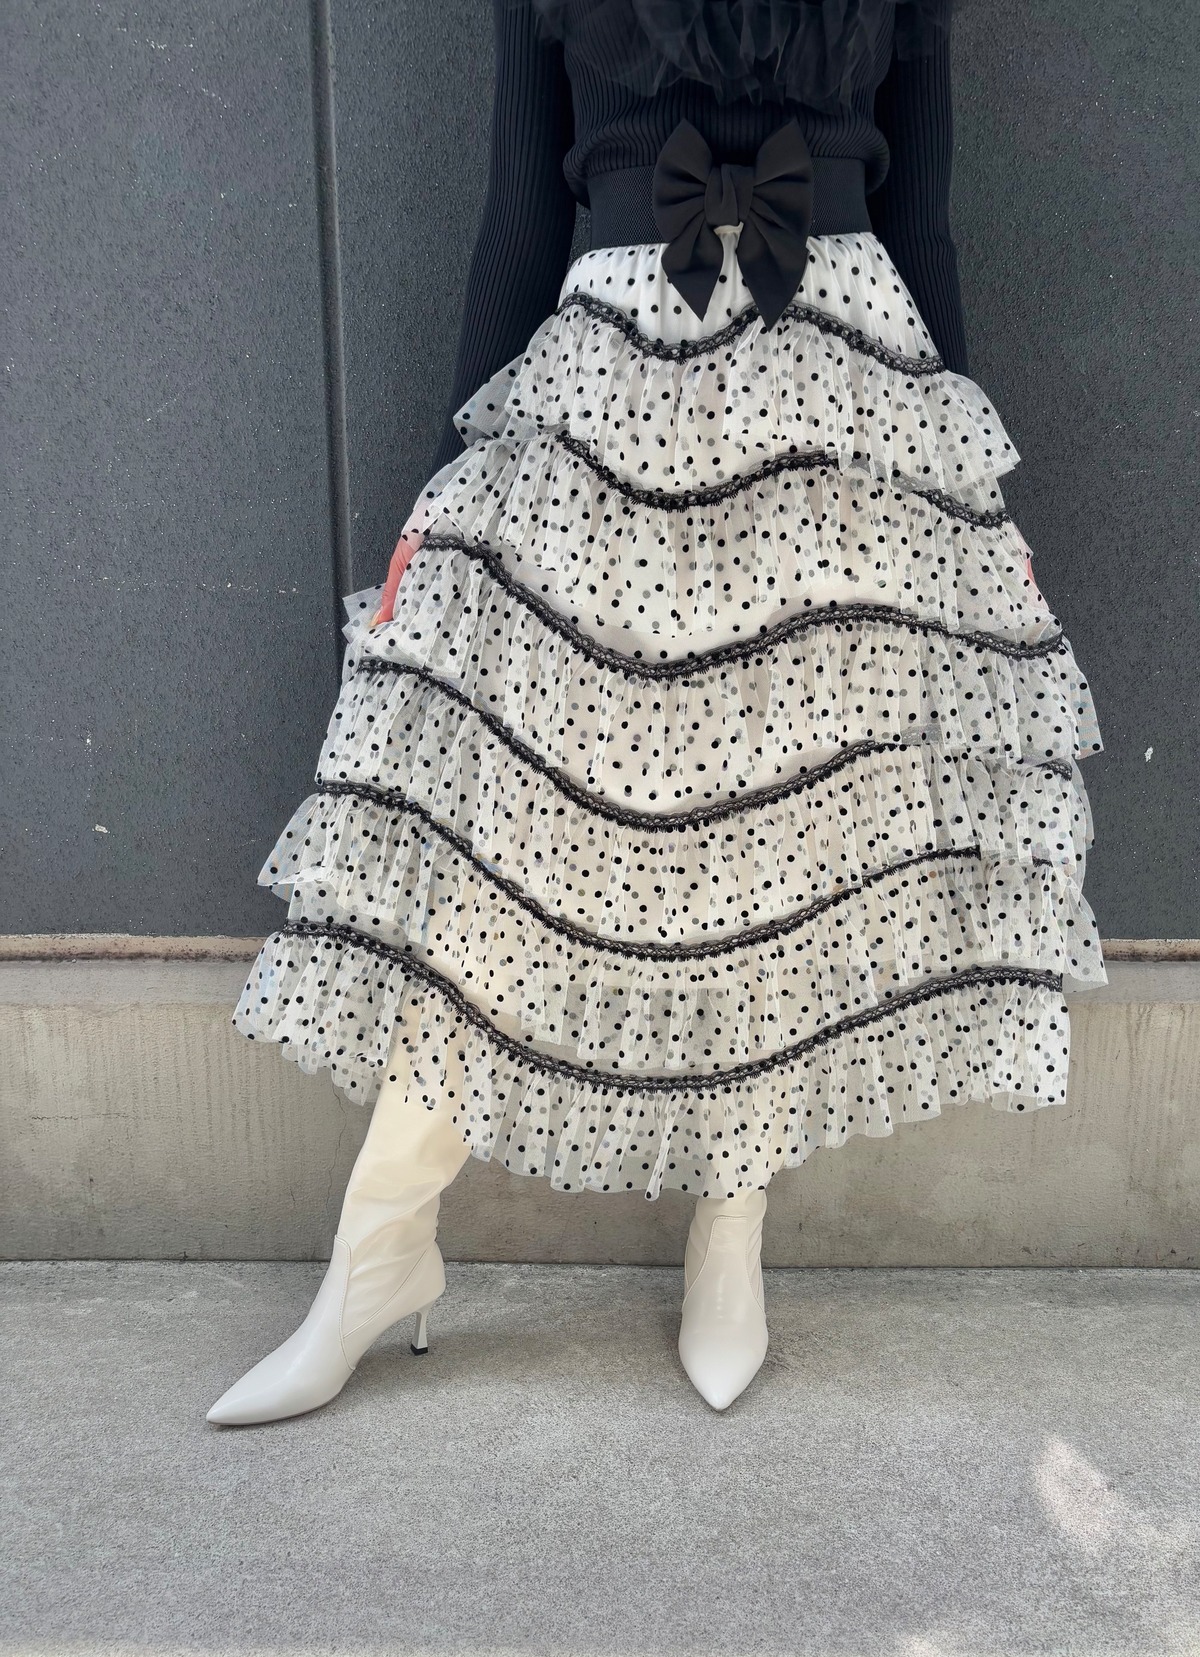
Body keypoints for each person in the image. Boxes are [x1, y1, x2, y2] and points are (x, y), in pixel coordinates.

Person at [208, 0, 1104, 1425]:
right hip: (606, 384)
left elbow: (924, 216)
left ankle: (730, 1234)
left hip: (839, 392)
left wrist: (968, 494)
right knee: (516, 844)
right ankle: (380, 1248)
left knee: (785, 841)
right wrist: (447, 488)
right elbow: (519, 210)